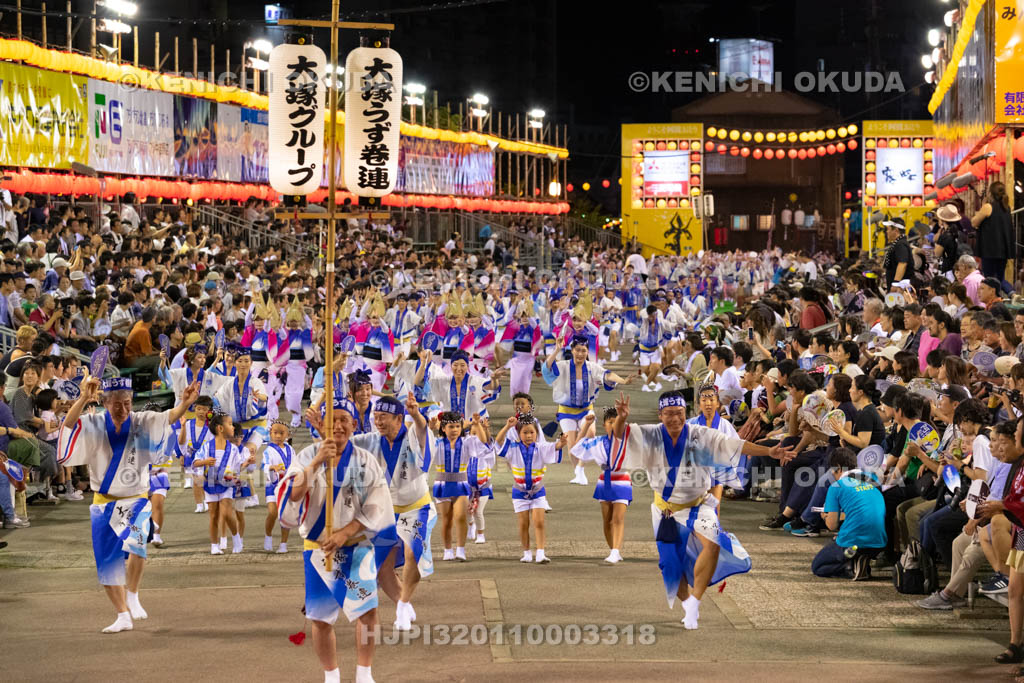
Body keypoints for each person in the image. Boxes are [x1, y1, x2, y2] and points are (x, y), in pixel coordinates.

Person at [610, 390, 790, 629]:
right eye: (669, 414)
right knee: (671, 568)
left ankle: (695, 601)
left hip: (699, 504)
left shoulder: (700, 434)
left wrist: (768, 451)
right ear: (660, 414)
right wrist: (622, 417)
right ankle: (687, 604)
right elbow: (621, 435)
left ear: (686, 412)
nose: (675, 418)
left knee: (712, 544)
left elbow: (734, 445)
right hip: (665, 510)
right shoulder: (652, 434)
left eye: (679, 413)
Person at [56, 375, 199, 633]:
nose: (123, 409)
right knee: (107, 561)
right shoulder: (94, 422)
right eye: (116, 404)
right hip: (104, 502)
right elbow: (68, 427)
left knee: (138, 545)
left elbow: (168, 418)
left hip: (135, 500)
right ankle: (122, 614)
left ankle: (132, 593)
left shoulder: (141, 421)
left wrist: (184, 404)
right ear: (105, 402)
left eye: (127, 403)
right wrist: (83, 398)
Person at [277, 397, 394, 683]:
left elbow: (376, 507)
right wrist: (318, 461)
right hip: (318, 550)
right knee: (320, 618)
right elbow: (293, 494)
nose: (339, 426)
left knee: (367, 613)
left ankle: (364, 674)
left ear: (355, 425)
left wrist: (345, 532)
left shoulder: (366, 461)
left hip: (356, 548)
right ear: (323, 424)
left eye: (345, 420)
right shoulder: (307, 455)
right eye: (333, 420)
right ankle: (331, 675)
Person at [344, 394, 434, 632]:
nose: (378, 422)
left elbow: (423, 430)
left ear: (399, 418)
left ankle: (403, 606)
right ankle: (401, 602)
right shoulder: (372, 440)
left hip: (416, 508)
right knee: (382, 565)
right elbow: (344, 443)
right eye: (375, 417)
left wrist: (416, 414)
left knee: (412, 553)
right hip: (385, 511)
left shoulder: (413, 436)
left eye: (383, 417)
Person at [542, 334, 633, 485]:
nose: (580, 354)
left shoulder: (592, 368)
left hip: (585, 409)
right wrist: (557, 349)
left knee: (590, 433)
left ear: (587, 352)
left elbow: (608, 374)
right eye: (577, 350)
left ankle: (580, 468)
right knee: (572, 445)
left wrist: (622, 380)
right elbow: (547, 368)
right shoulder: (563, 366)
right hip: (566, 411)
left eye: (583, 350)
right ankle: (578, 472)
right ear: (572, 350)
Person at [812, 448, 887, 579]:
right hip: (878, 544)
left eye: (833, 472)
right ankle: (860, 562)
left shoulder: (837, 486)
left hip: (853, 545)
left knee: (818, 566)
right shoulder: (872, 479)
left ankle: (850, 567)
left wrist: (825, 516)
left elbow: (831, 525)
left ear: (839, 468)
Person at [430, 410, 492, 561]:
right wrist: (430, 429)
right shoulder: (436, 443)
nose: (455, 430)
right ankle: (447, 550)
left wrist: (477, 425)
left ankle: (461, 549)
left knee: (460, 517)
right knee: (446, 519)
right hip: (442, 484)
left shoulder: (467, 442)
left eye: (458, 426)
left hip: (461, 484)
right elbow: (422, 444)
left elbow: (484, 442)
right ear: (443, 428)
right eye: (451, 427)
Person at [573, 407, 631, 563]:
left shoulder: (628, 440)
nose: (613, 425)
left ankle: (615, 551)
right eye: (610, 422)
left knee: (617, 519)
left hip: (622, 478)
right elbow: (576, 448)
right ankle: (614, 550)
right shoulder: (597, 442)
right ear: (604, 425)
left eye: (616, 422)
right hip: (604, 480)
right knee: (607, 520)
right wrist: (586, 425)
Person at [971, 180, 1014, 286]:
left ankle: (993, 300)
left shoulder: (988, 207)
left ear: (991, 193)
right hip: (1003, 249)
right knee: (999, 277)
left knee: (989, 278)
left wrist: (983, 205)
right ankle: (1007, 295)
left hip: (989, 249)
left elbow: (974, 222)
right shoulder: (1006, 208)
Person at [262, 420, 295, 554]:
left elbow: (296, 464)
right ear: (270, 433)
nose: (278, 436)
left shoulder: (290, 450)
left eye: (281, 433)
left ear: (288, 435)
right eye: (275, 433)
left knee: (285, 515)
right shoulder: (268, 450)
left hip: (286, 485)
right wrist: (272, 467)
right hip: (272, 484)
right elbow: (264, 465)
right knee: (273, 512)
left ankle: (283, 543)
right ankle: (268, 536)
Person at [882, 218, 913, 289]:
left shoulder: (900, 244)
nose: (887, 232)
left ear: (896, 230)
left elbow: (902, 264)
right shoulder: (898, 243)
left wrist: (896, 283)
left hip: (900, 288)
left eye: (888, 229)